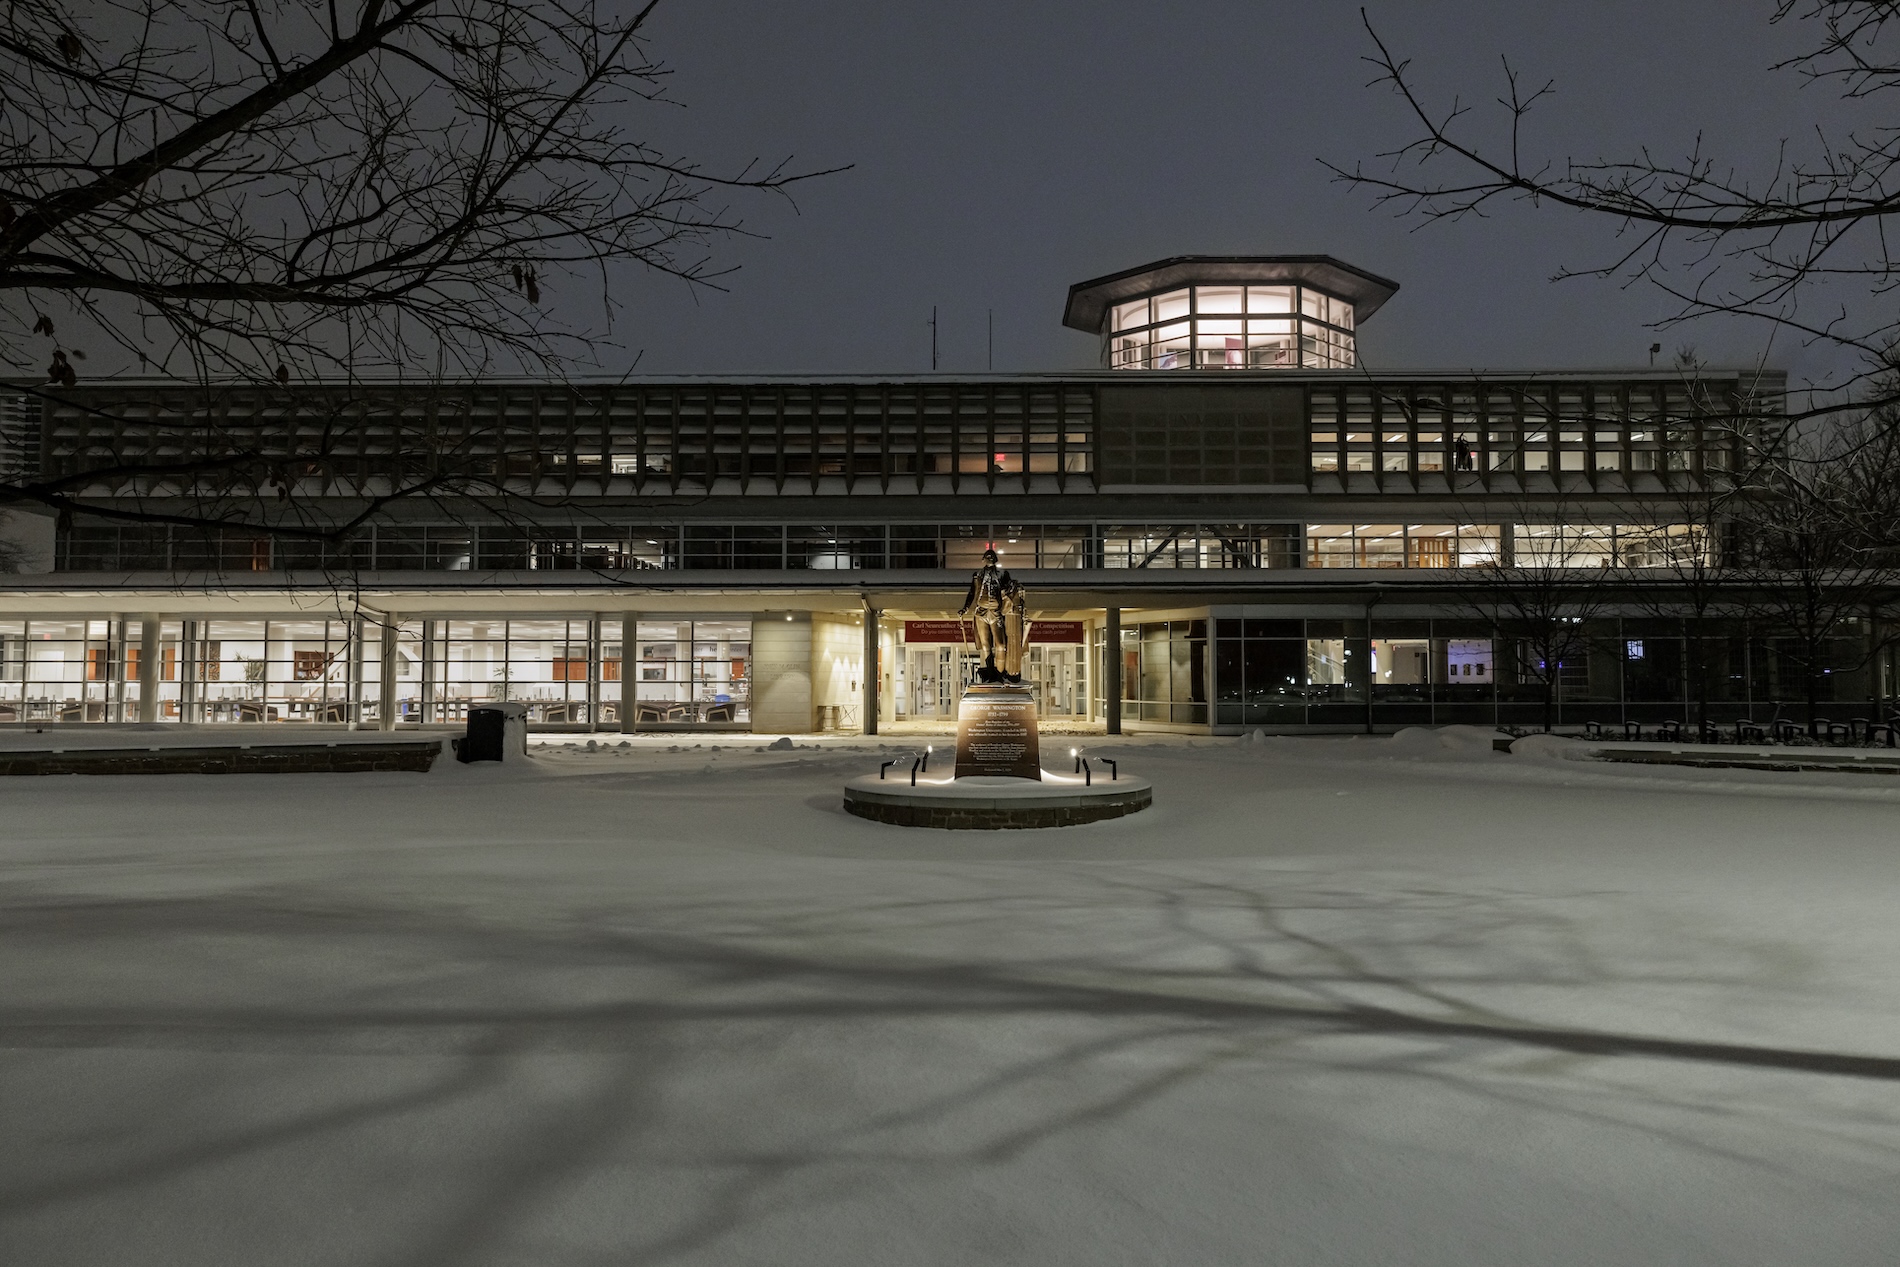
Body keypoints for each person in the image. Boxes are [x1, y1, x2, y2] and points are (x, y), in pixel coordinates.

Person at [958, 548, 1016, 683]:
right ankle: (990, 673)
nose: (989, 558)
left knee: (1001, 645)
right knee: (986, 645)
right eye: (987, 556)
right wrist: (965, 608)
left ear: (995, 559)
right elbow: (972, 592)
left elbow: (1008, 592)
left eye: (991, 556)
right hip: (981, 611)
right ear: (983, 559)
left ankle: (1000, 673)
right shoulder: (978, 574)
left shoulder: (1003, 574)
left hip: (996, 612)